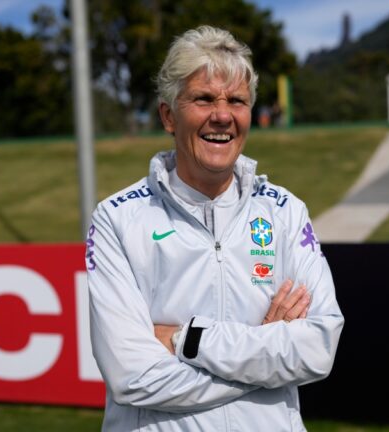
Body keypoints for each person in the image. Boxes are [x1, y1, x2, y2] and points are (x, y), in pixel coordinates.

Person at [85, 25, 344, 431]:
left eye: (236, 101)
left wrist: (187, 340)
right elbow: (134, 379)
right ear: (169, 116)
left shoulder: (286, 212)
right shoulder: (116, 218)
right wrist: (266, 357)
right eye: (203, 99)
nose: (222, 116)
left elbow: (318, 348)